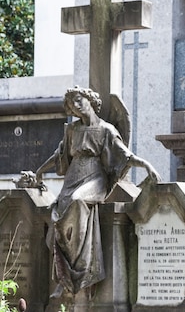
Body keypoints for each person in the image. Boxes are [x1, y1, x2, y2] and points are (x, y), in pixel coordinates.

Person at [35, 86, 160, 296]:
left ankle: (81, 273)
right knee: (60, 217)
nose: (76, 106)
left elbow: (125, 155)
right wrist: (39, 171)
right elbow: (59, 155)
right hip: (73, 177)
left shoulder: (106, 130)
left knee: (77, 202)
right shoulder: (72, 130)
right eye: (71, 104)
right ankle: (65, 276)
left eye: (78, 100)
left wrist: (147, 165)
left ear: (90, 100)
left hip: (95, 178)